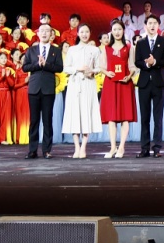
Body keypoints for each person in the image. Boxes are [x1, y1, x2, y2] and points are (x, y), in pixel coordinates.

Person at [62, 23, 103, 159]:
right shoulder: (72, 49)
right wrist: (77, 69)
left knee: (86, 114)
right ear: (78, 33)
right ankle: (76, 147)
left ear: (90, 33)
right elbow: (66, 68)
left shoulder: (95, 50)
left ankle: (84, 147)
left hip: (88, 84)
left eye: (87, 32)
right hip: (74, 84)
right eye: (82, 32)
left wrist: (92, 71)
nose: (84, 34)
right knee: (75, 115)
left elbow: (99, 67)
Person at [22, 24, 63, 158]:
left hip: (48, 89)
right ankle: (32, 150)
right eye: (42, 31)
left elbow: (60, 68)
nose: (44, 33)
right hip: (34, 89)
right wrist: (37, 65)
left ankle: (46, 150)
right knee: (34, 121)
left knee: (47, 120)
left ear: (51, 34)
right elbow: (25, 67)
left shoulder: (56, 50)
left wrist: (46, 65)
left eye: (47, 31)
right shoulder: (31, 50)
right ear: (38, 34)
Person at [134, 14, 164, 157]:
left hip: (159, 83)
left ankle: (156, 148)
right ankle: (144, 148)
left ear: (158, 25)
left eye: (155, 23)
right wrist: (147, 64)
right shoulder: (140, 43)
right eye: (149, 23)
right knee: (144, 117)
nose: (152, 25)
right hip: (144, 83)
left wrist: (154, 62)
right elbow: (137, 61)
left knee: (158, 117)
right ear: (145, 26)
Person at [99, 19, 136, 159]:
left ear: (123, 30)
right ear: (111, 31)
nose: (117, 32)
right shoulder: (106, 48)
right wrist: (107, 72)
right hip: (110, 84)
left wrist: (129, 76)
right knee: (111, 117)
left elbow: (132, 66)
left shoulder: (129, 47)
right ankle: (113, 147)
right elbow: (101, 66)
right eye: (114, 29)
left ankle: (121, 147)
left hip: (125, 84)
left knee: (125, 116)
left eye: (119, 29)